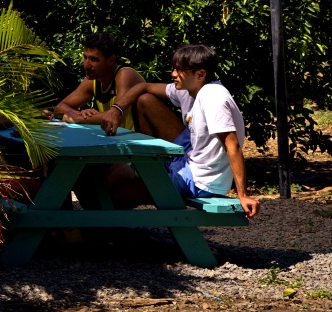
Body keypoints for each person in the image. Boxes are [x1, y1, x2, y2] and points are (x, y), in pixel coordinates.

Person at [99, 44, 260, 218]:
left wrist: (243, 195)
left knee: (118, 192)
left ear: (200, 74)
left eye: (179, 70)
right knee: (145, 100)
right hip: (190, 155)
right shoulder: (188, 89)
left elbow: (232, 145)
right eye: (174, 68)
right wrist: (116, 110)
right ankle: (149, 163)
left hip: (200, 179)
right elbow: (143, 87)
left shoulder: (213, 97)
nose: (173, 74)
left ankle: (100, 226)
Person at [51, 32, 146, 124]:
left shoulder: (125, 75)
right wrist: (79, 114)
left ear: (111, 60)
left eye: (93, 59)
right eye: (85, 58)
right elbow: (60, 107)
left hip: (139, 135)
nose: (86, 65)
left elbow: (116, 117)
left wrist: (79, 118)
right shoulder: (93, 80)